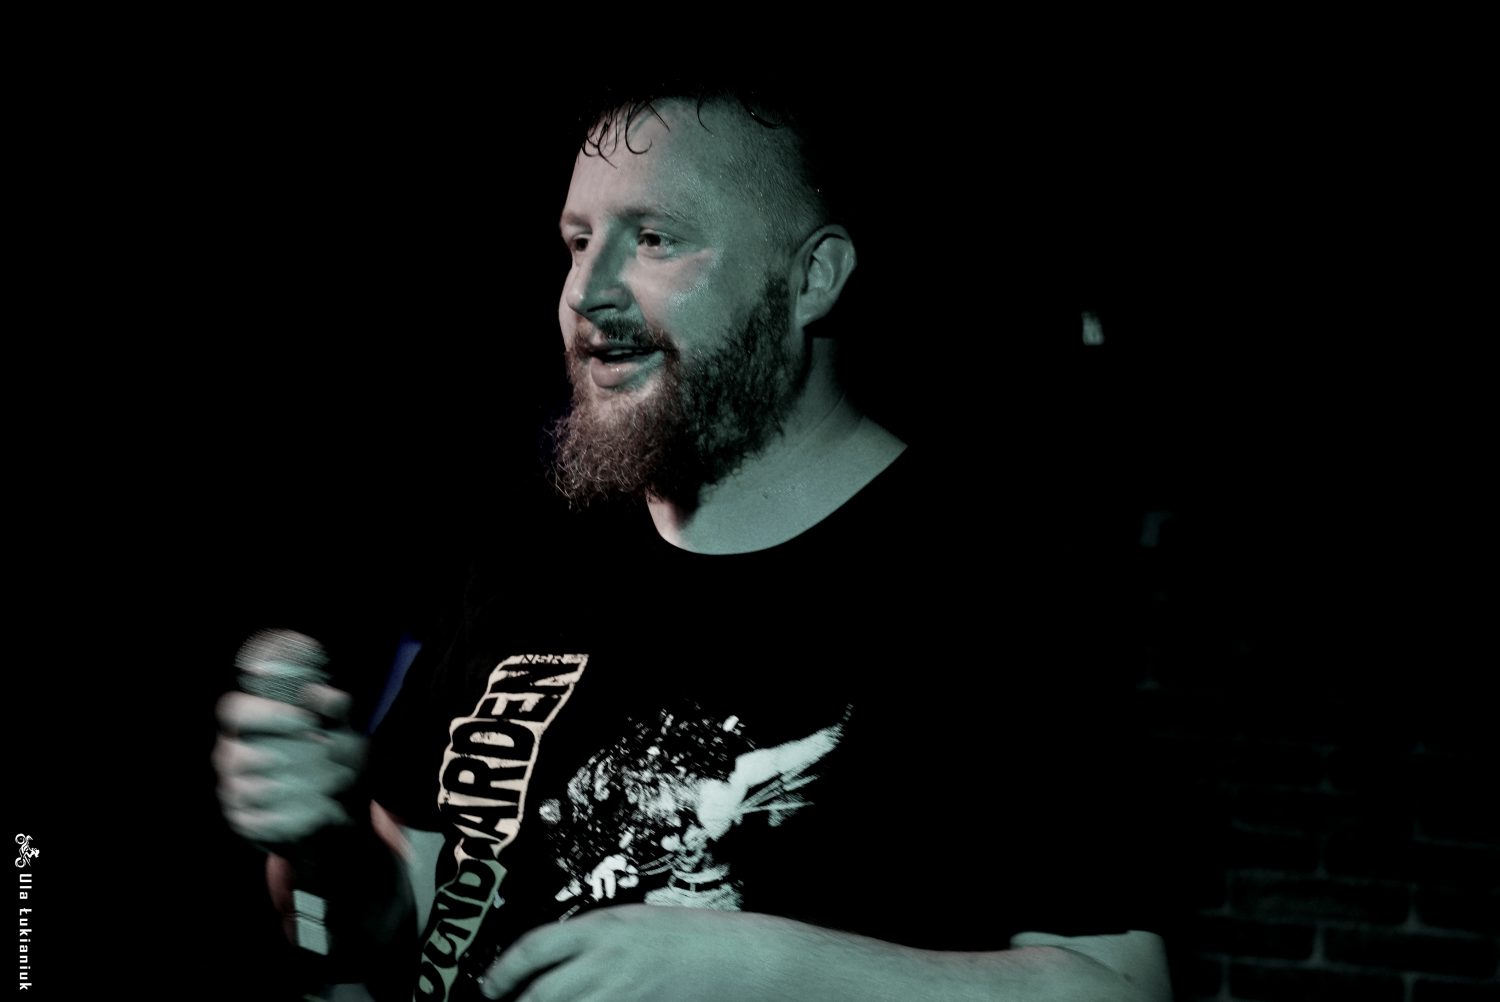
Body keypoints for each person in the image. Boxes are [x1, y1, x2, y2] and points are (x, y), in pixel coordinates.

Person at [216, 83, 1174, 1002]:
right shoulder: (534, 537)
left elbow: (1119, 987)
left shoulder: (992, 585)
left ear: (811, 278)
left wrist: (766, 975)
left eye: (655, 239)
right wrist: (328, 846)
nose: (587, 292)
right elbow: (390, 923)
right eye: (578, 242)